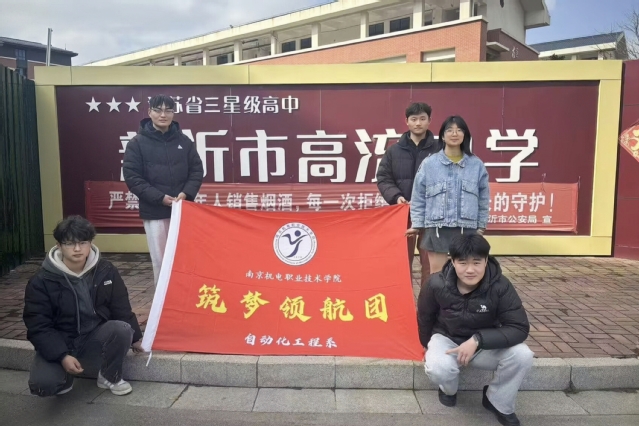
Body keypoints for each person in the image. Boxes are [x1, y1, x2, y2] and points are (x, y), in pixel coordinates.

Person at [417, 233, 533, 426]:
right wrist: (426, 345)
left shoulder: (500, 286)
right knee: (438, 368)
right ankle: (448, 389)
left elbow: (519, 327)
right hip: (447, 339)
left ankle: (497, 400)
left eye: (477, 263)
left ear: (486, 261)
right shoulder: (436, 284)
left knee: (523, 355)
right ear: (453, 262)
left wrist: (478, 340)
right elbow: (425, 317)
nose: (470, 270)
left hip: (484, 345)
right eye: (463, 263)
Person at [23, 216, 143, 397]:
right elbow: (38, 326)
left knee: (122, 328)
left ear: (90, 243)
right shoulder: (42, 280)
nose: (77, 249)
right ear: (58, 245)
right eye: (70, 243)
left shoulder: (105, 270)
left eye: (83, 242)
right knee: (44, 385)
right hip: (61, 339)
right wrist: (62, 356)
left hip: (93, 336)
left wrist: (136, 338)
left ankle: (109, 376)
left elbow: (120, 306)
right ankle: (64, 376)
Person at [123, 94, 204, 286]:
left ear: (173, 113)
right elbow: (133, 177)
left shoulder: (184, 141)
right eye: (158, 110)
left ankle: (184, 295)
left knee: (184, 257)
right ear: (149, 112)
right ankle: (163, 299)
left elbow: (197, 170)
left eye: (168, 110)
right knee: (161, 260)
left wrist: (186, 194)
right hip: (155, 211)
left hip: (182, 210)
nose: (163, 115)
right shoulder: (137, 143)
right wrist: (159, 198)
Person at [407, 115, 489, 274]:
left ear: (465, 135)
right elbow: (418, 197)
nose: (454, 134)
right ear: (442, 136)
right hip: (437, 228)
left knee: (467, 273)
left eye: (459, 130)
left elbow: (483, 199)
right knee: (438, 275)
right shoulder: (429, 164)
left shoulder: (476, 165)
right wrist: (417, 224)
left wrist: (480, 226)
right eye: (450, 130)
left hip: (467, 228)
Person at [376, 102, 441, 284]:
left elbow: (448, 179)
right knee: (402, 261)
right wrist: (396, 197)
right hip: (403, 214)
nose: (418, 123)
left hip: (431, 214)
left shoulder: (440, 150)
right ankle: (405, 299)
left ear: (429, 121)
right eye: (414, 119)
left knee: (431, 263)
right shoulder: (394, 151)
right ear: (406, 121)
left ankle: (429, 299)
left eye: (422, 119)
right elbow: (383, 177)